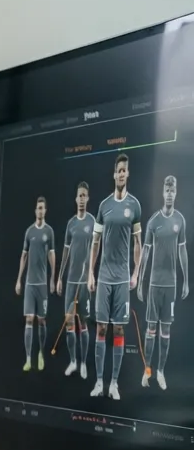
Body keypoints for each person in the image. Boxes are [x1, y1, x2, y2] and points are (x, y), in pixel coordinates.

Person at [88, 153, 142, 400]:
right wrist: (90, 272)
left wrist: (136, 273)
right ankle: (99, 382)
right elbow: (95, 242)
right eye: (118, 170)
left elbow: (138, 243)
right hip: (104, 277)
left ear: (128, 174)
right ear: (114, 174)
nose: (121, 174)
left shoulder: (135, 206)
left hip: (122, 279)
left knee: (119, 330)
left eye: (125, 170)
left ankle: (114, 384)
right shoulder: (103, 206)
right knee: (101, 329)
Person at [139, 174, 188, 390]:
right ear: (163, 192)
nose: (169, 193)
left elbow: (182, 250)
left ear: (176, 192)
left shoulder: (180, 220)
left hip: (171, 285)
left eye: (172, 190)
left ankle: (160, 372)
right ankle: (147, 371)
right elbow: (145, 254)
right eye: (166, 190)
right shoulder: (153, 222)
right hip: (154, 285)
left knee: (165, 332)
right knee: (150, 330)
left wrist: (186, 280)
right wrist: (140, 281)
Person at [58, 181, 95, 377]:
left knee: (83, 324)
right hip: (71, 281)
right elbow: (65, 253)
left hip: (84, 283)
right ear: (75, 198)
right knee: (69, 322)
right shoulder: (70, 224)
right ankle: (72, 361)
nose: (81, 199)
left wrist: (91, 275)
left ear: (88, 198)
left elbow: (95, 253)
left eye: (84, 195)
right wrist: (59, 278)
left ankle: (83, 363)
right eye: (78, 195)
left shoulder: (92, 221)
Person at [15, 197, 56, 371]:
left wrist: (53, 278)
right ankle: (28, 358)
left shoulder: (49, 231)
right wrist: (19, 279)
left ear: (45, 211)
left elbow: (52, 256)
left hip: (42, 284)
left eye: (42, 208)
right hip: (30, 284)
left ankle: (40, 353)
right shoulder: (29, 232)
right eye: (38, 208)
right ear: (35, 211)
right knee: (29, 319)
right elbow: (24, 255)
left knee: (42, 321)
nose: (40, 211)